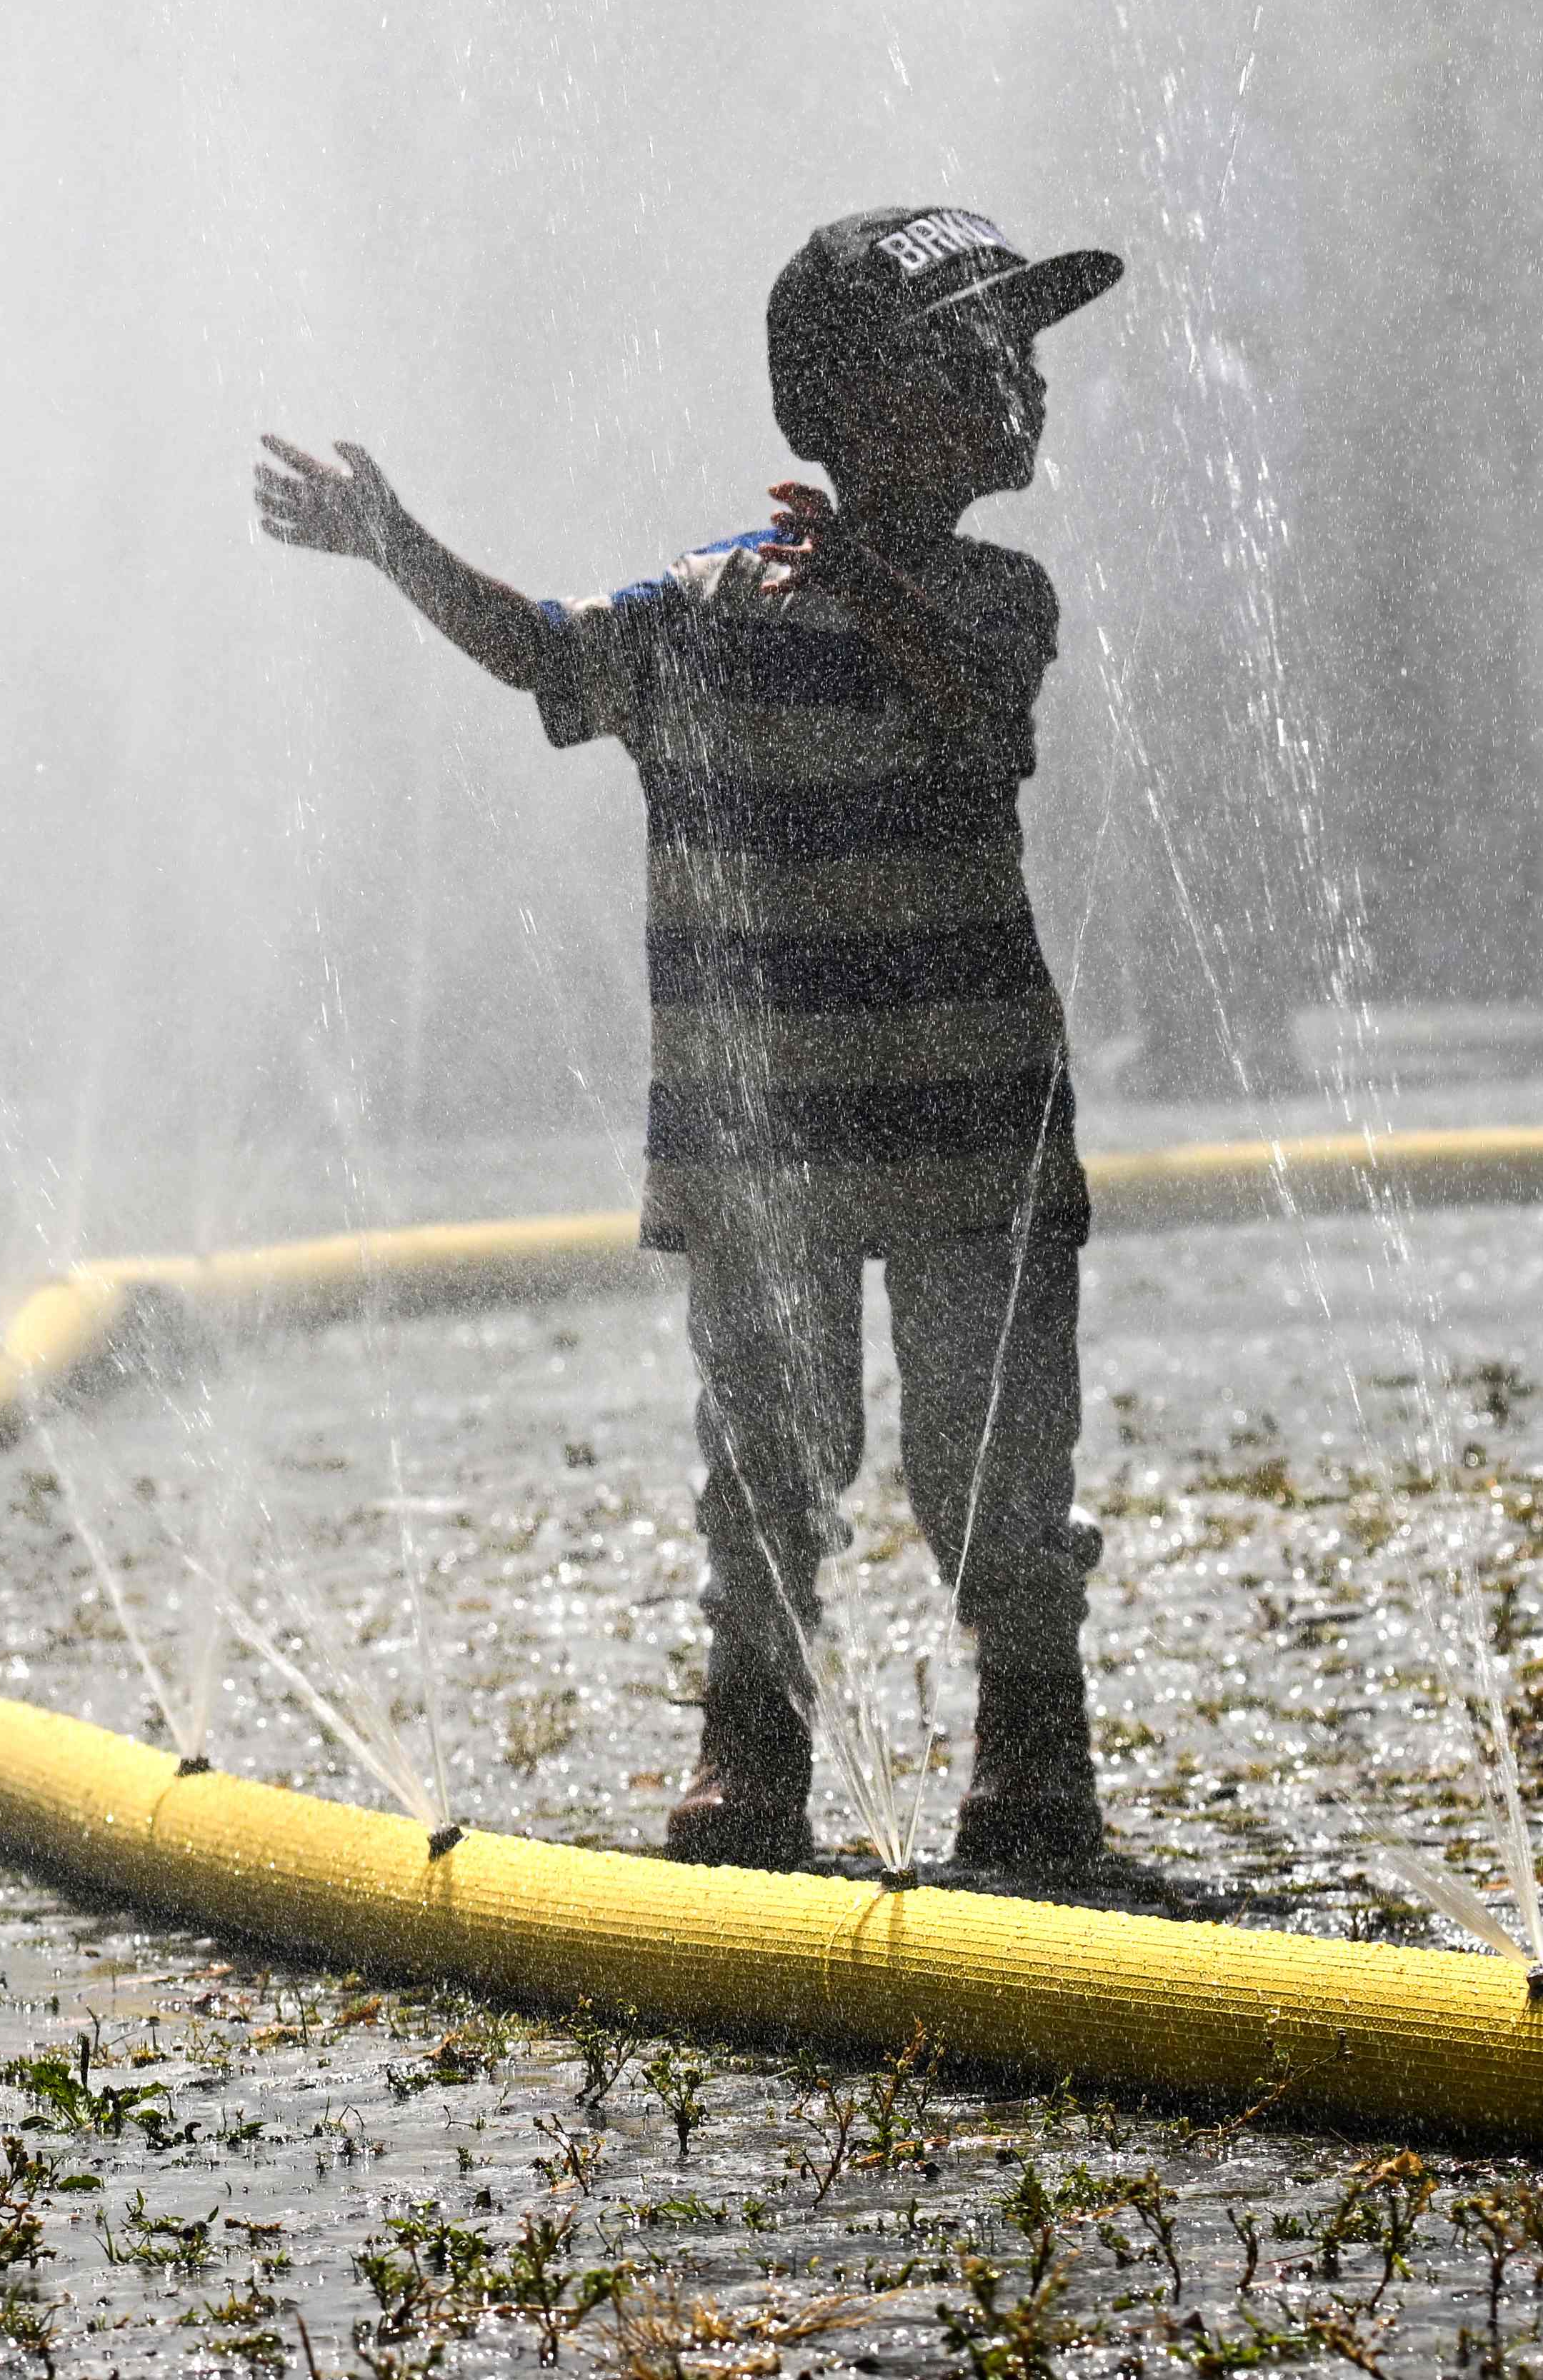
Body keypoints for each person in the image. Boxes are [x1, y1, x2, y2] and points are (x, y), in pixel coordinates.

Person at [254, 206, 1122, 1873]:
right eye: (983, 352)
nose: (1021, 383)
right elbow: (548, 655)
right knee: (767, 1461)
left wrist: (865, 578)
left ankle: (1032, 1740)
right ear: (864, 404)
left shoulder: (998, 595)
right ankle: (754, 1741)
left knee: (994, 1458)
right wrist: (394, 540)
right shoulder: (708, 611)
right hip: (763, 1144)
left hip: (971, 1133)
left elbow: (976, 712)